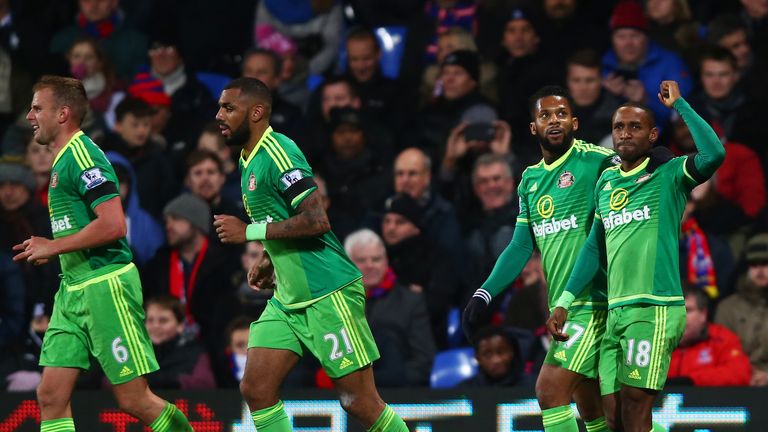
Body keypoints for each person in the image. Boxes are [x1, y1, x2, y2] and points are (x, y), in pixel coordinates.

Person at [212, 77, 408, 431]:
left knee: (359, 403)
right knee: (255, 389)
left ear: (256, 112)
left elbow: (317, 219)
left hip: (327, 293)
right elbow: (282, 218)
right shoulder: (247, 159)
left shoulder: (278, 152)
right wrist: (269, 258)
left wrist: (250, 233)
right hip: (288, 297)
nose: (218, 115)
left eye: (228, 108)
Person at [14, 76, 192, 431]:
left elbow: (114, 224)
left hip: (104, 285)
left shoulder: (82, 156)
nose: (30, 116)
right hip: (72, 289)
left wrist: (54, 245)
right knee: (50, 395)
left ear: (63, 113)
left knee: (133, 399)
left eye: (37, 108)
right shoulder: (62, 160)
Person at [548, 81, 725, 431]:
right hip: (616, 311)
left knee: (635, 406)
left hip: (655, 308)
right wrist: (564, 301)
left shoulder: (669, 174)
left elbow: (713, 155)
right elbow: (594, 245)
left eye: (635, 126)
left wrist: (681, 106)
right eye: (618, 127)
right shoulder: (607, 181)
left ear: (653, 135)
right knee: (612, 417)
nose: (625, 133)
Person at [463, 85, 616, 432]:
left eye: (561, 114)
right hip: (562, 304)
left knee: (549, 390)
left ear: (574, 122)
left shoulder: (599, 161)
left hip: (595, 301)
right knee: (591, 407)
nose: (554, 120)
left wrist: (659, 159)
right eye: (545, 115)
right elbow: (520, 247)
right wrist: (484, 294)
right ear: (534, 127)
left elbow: (637, 169)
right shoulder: (530, 181)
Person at [345, 229, 436, 387]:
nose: (370, 265)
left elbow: (424, 362)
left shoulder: (410, 302)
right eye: (361, 260)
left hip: (393, 392)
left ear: (386, 261)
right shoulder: (332, 303)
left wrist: (371, 383)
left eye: (376, 259)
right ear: (347, 263)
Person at [667, 286, 751, 386]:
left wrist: (692, 380)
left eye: (687, 310)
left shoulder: (722, 338)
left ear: (703, 314)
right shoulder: (656, 341)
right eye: (673, 311)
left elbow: (739, 373)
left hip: (707, 400)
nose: (678, 317)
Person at [715, 233, 768, 387]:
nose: (759, 270)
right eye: (754, 264)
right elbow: (719, 353)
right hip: (735, 386)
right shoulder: (728, 308)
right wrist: (745, 373)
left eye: (765, 263)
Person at [143, 296, 216, 390]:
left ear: (180, 325)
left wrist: (166, 380)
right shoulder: (135, 353)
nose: (155, 326)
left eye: (163, 320)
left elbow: (205, 383)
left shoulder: (195, 352)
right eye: (150, 320)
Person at [459, 326, 526, 387]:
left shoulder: (532, 387)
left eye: (501, 352)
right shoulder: (465, 389)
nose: (496, 360)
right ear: (478, 358)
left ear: (511, 352)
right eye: (487, 354)